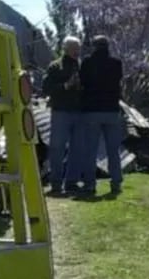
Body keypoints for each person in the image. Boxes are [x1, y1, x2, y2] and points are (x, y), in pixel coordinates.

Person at [78, 35, 124, 196]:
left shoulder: (87, 63)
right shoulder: (116, 64)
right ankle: (116, 183)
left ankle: (90, 184)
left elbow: (82, 82)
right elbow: (118, 82)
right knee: (113, 150)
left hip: (91, 110)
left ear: (94, 46)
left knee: (91, 150)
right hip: (111, 110)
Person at [41, 36, 84, 195]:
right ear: (66, 48)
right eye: (74, 48)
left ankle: (72, 183)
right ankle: (56, 184)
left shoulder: (82, 67)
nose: (77, 51)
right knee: (57, 148)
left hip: (79, 112)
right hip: (61, 112)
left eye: (78, 48)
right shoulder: (55, 66)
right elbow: (45, 89)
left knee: (77, 149)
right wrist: (66, 85)